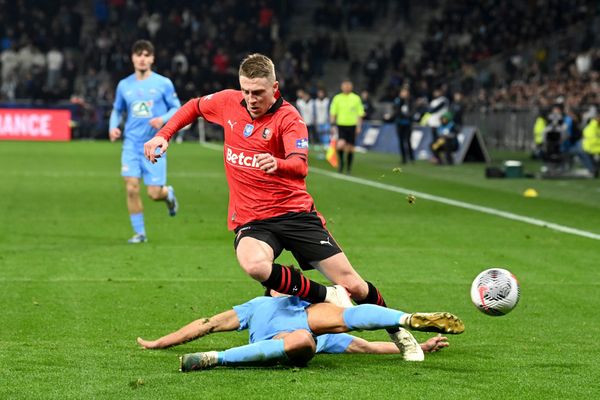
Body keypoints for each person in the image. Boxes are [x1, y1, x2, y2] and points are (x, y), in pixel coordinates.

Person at [143, 53, 412, 351]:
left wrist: (278, 163)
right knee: (255, 266)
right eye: (245, 91)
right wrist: (164, 135)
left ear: (275, 87)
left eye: (257, 92)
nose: (250, 98)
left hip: (295, 215)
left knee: (355, 285)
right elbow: (194, 106)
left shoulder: (289, 119)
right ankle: (325, 295)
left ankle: (398, 332)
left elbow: (300, 166)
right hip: (254, 221)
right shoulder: (229, 102)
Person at [137, 290, 464, 370]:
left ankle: (215, 359)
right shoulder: (255, 306)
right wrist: (160, 343)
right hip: (280, 341)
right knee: (318, 324)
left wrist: (422, 346)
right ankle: (403, 318)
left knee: (308, 333)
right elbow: (206, 324)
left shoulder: (312, 312)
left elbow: (365, 347)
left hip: (301, 343)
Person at [109, 39, 181, 244]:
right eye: (138, 54)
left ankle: (167, 194)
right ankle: (140, 234)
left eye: (146, 55)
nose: (142, 58)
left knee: (154, 193)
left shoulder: (163, 83)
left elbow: (177, 108)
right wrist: (113, 127)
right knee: (131, 187)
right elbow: (117, 109)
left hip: (155, 144)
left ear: (152, 58)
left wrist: (163, 119)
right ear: (132, 58)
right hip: (131, 144)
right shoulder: (124, 85)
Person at [329, 79, 365, 174]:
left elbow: (360, 114)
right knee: (340, 146)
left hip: (352, 126)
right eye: (345, 86)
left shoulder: (356, 98)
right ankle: (341, 164)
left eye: (348, 86)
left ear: (351, 87)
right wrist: (332, 125)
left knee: (350, 148)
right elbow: (333, 113)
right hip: (341, 126)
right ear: (342, 87)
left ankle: (348, 168)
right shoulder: (337, 98)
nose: (346, 87)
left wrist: (359, 126)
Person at [392, 86, 414, 164]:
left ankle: (411, 157)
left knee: (408, 140)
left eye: (405, 92)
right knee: (401, 141)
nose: (404, 94)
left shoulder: (410, 101)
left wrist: (408, 116)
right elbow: (396, 110)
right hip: (399, 123)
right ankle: (403, 158)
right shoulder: (398, 100)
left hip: (407, 123)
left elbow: (412, 111)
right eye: (403, 92)